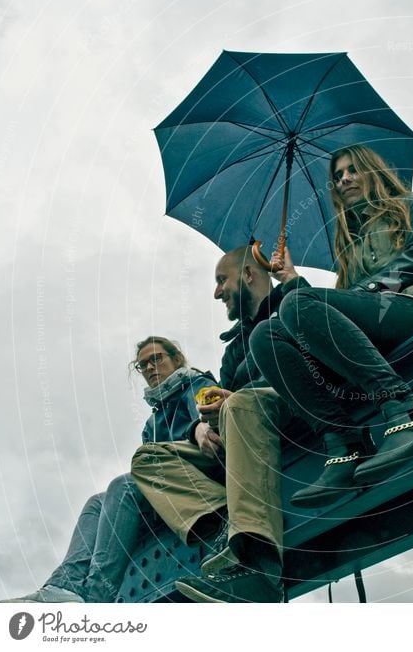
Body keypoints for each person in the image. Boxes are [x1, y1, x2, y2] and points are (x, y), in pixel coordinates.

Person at [251, 144, 413, 510]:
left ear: (372, 173)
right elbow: (328, 318)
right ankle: (344, 445)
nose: (344, 178)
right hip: (381, 326)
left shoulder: (410, 205)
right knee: (265, 335)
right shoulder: (350, 248)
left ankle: (407, 413)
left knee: (295, 307)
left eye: (352, 170)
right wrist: (291, 277)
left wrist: (371, 289)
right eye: (338, 176)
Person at [131, 246, 310, 603]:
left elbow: (316, 350)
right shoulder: (233, 349)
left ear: (247, 276)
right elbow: (230, 396)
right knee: (145, 458)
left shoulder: (294, 302)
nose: (216, 292)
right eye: (142, 365)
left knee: (242, 403)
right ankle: (224, 519)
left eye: (221, 280)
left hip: (295, 415)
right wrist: (209, 420)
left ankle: (256, 570)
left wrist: (290, 280)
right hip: (242, 432)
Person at [0, 337, 215, 603]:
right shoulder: (152, 423)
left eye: (156, 359)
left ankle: (97, 597)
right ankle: (64, 588)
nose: (149, 368)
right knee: (96, 503)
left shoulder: (195, 383)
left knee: (123, 486)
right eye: (142, 365)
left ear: (176, 359)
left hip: (197, 481)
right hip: (165, 494)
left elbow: (208, 411)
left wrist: (197, 426)